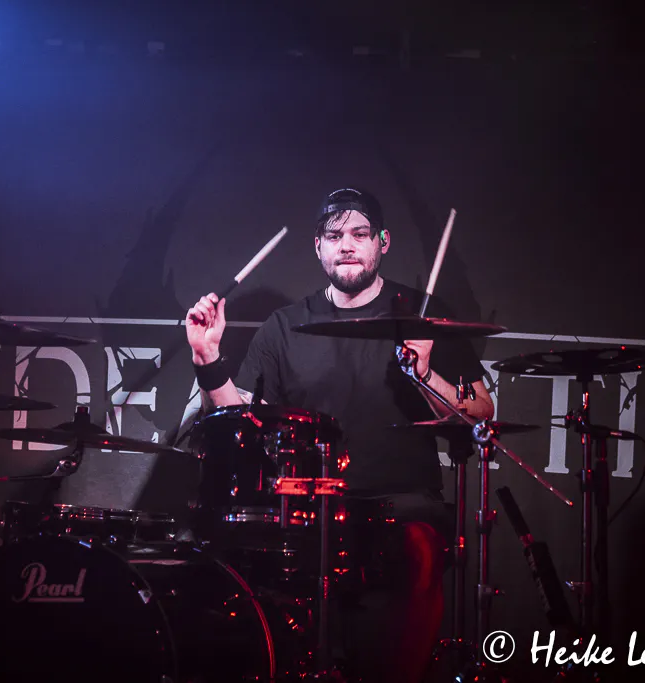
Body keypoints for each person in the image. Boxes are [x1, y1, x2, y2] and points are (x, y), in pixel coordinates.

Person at [184, 187, 494, 682]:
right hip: (309, 508)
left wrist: (424, 374)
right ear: (318, 247)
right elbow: (243, 423)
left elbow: (480, 411)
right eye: (334, 236)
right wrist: (208, 361)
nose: (346, 245)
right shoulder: (285, 327)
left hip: (401, 504)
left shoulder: (423, 315)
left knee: (418, 553)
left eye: (359, 234)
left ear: (382, 242)